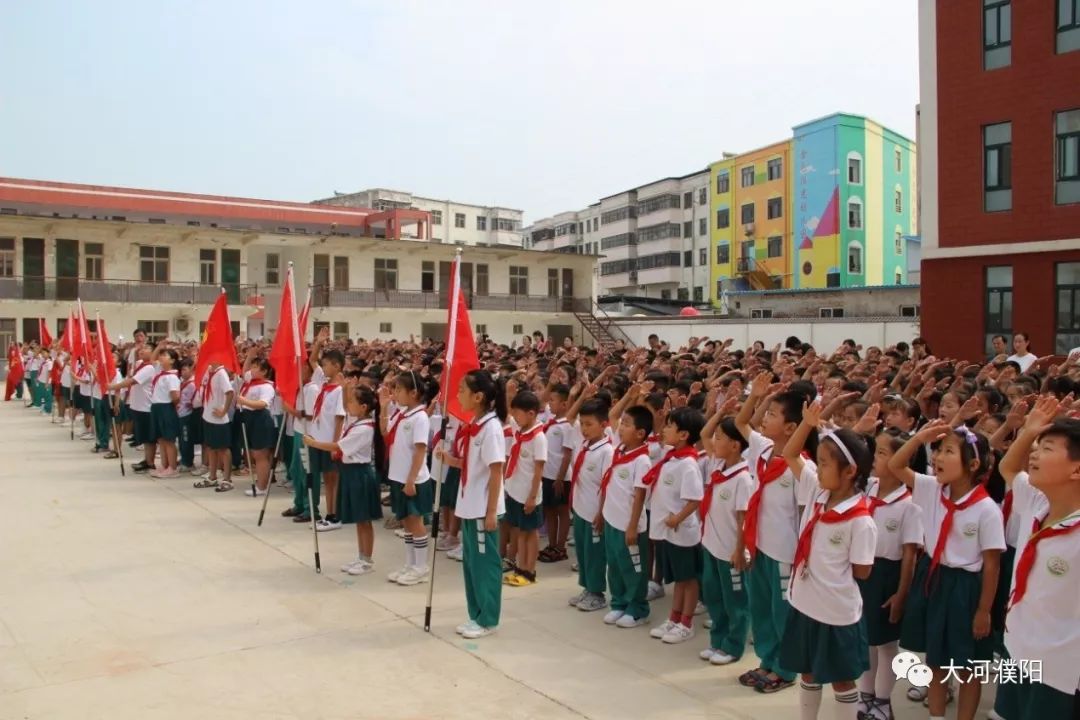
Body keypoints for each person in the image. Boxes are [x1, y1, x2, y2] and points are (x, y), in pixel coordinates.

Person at [889, 421, 1005, 720]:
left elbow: (992, 564)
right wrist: (919, 438)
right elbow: (896, 464)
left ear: (973, 464)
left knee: (968, 666)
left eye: (949, 451)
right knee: (936, 660)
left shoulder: (987, 509)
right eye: (938, 450)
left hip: (967, 587)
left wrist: (983, 610)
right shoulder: (931, 488)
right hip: (934, 577)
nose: (938, 457)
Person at [777, 422, 877, 720]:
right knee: (808, 671)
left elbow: (862, 571)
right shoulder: (816, 491)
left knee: (841, 678)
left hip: (836, 612)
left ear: (849, 471)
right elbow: (790, 453)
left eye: (824, 463)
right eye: (817, 462)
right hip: (805, 603)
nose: (817, 469)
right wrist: (807, 423)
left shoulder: (860, 521)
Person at [995, 397, 1080, 720]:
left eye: (1047, 448)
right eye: (1037, 446)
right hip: (1017, 650)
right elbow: (1007, 467)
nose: (1034, 452)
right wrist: (1029, 431)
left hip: (1061, 670)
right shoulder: (1036, 502)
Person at [734, 373, 813, 694]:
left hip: (785, 552)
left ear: (792, 428)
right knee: (761, 609)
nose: (764, 418)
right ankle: (767, 660)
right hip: (760, 547)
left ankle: (786, 668)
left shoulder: (801, 467)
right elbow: (741, 423)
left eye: (772, 414)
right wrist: (757, 396)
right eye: (765, 413)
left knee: (784, 615)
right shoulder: (763, 450)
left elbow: (806, 515)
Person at [855, 429, 923, 720]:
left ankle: (883, 701)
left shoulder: (910, 505)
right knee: (864, 638)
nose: (875, 458)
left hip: (888, 575)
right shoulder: (867, 488)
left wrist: (902, 593)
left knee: (886, 643)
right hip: (862, 571)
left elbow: (910, 554)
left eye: (883, 453)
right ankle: (865, 695)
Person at [305, 385, 383, 576]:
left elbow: (338, 445)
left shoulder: (364, 428)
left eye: (352, 402)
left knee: (364, 519)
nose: (348, 404)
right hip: (350, 472)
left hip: (360, 473)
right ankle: (361, 555)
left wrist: (314, 443)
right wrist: (347, 386)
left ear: (363, 406)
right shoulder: (356, 422)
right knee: (358, 519)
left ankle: (367, 559)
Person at [452, 369, 507, 639]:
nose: (458, 394)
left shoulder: (491, 429)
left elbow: (496, 470)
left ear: (479, 396)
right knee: (472, 564)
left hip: (483, 508)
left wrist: (491, 512)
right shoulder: (476, 425)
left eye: (462, 389)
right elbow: (473, 465)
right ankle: (475, 614)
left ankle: (488, 618)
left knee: (485, 566)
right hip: (468, 504)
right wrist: (448, 459)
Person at [645, 407, 706, 645]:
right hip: (670, 531)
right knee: (679, 580)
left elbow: (695, 499)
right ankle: (674, 618)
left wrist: (677, 518)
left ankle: (686, 623)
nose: (664, 429)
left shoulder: (688, 464)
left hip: (682, 531)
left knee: (688, 580)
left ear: (683, 435)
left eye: (670, 426)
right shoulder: (672, 458)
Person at [697, 415, 753, 665]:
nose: (714, 441)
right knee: (714, 597)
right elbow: (704, 435)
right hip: (711, 545)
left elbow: (743, 519)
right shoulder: (718, 466)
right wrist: (721, 413)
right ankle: (717, 641)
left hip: (731, 551)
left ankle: (733, 645)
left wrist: (740, 551)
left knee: (735, 602)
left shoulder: (742, 478)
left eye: (721, 438)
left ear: (735, 445)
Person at [601, 405, 654, 629]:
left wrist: (632, 526)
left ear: (640, 433)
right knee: (614, 565)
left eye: (626, 424)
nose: (620, 428)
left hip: (629, 525)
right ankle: (619, 602)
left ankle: (637, 608)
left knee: (633, 569)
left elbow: (639, 496)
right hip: (612, 520)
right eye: (621, 423)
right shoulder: (619, 451)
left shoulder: (641, 460)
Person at [380, 370, 433, 585]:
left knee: (415, 521)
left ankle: (421, 567)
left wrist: (411, 480)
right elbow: (385, 432)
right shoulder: (401, 414)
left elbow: (420, 451)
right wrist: (384, 407)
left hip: (414, 478)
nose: (395, 393)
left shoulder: (420, 417)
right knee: (406, 523)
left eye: (399, 389)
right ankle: (410, 564)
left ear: (414, 393)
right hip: (398, 475)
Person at [566, 398, 614, 612]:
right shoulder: (585, 445)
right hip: (580, 508)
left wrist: (602, 512)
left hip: (595, 511)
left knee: (595, 554)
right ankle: (586, 587)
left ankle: (597, 593)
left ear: (604, 425)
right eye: (582, 424)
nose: (584, 429)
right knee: (583, 552)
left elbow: (606, 485)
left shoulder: (607, 452)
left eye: (589, 424)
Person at [502, 389, 547, 587]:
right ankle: (520, 567)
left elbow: (538, 471)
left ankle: (530, 570)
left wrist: (532, 497)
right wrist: (509, 394)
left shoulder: (538, 438)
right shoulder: (519, 431)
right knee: (520, 531)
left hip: (529, 494)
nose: (515, 418)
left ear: (531, 414)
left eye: (518, 414)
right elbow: (506, 412)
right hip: (515, 490)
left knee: (531, 533)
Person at [309, 348, 346, 530]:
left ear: (337, 366)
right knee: (327, 479)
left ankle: (335, 515)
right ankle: (329, 513)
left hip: (330, 442)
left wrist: (335, 446)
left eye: (326, 365)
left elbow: (340, 419)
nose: (322, 368)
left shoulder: (339, 390)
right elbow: (312, 359)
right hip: (319, 440)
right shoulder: (324, 385)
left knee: (333, 479)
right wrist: (318, 344)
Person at [110, 343, 157, 473]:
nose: (143, 350)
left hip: (146, 407)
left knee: (149, 437)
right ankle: (146, 460)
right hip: (138, 406)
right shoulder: (140, 364)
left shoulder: (149, 368)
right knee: (144, 437)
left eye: (147, 348)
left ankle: (150, 462)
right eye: (142, 348)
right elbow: (133, 362)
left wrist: (113, 387)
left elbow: (132, 381)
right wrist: (136, 350)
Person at [538, 384, 573, 564]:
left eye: (553, 400)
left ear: (565, 404)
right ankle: (551, 544)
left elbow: (567, 454)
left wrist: (560, 477)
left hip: (561, 476)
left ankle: (561, 546)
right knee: (549, 510)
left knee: (562, 511)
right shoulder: (551, 421)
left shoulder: (567, 426)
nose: (550, 403)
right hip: (547, 473)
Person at [236, 358, 277, 496]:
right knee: (254, 453)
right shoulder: (250, 382)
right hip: (249, 418)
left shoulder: (266, 386)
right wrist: (249, 356)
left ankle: (262, 486)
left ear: (264, 371)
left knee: (260, 454)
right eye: (252, 367)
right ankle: (261, 482)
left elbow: (262, 404)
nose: (251, 370)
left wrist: (244, 401)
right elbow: (243, 370)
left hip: (261, 419)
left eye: (256, 368)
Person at [196, 363, 235, 491]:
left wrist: (224, 410)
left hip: (219, 418)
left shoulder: (221, 373)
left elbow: (229, 392)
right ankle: (212, 477)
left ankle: (227, 479)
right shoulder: (209, 370)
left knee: (223, 449)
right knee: (211, 447)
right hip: (208, 415)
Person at [148, 347, 182, 478]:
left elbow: (175, 397)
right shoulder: (160, 373)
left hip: (166, 407)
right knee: (161, 439)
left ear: (172, 360)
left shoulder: (172, 377)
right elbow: (152, 359)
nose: (161, 357)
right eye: (161, 355)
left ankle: (172, 467)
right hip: (156, 407)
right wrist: (159, 346)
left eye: (165, 356)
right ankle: (164, 465)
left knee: (169, 440)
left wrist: (170, 408)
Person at [176, 360, 198, 472]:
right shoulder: (182, 383)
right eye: (181, 370)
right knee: (181, 439)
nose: (182, 372)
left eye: (185, 369)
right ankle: (184, 458)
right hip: (180, 414)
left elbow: (194, 401)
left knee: (186, 439)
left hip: (187, 415)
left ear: (192, 370)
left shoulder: (192, 384)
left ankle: (188, 462)